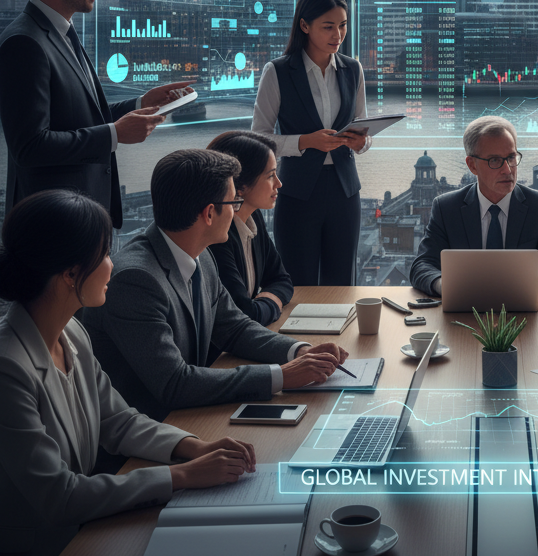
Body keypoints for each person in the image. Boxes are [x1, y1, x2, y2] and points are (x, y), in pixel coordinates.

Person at [0, 190, 257, 556]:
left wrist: (195, 447)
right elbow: (60, 497)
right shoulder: (8, 369)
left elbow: (118, 421)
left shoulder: (72, 333)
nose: (112, 265)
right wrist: (183, 475)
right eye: (105, 255)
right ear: (70, 274)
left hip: (82, 535)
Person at [83, 149, 346, 423]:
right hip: (145, 435)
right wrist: (282, 376)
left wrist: (298, 351)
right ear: (209, 213)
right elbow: (175, 383)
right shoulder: (135, 280)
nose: (236, 211)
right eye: (234, 203)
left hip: (191, 416)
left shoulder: (200, 254)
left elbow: (234, 328)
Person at [0, 0, 193, 227]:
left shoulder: (62, 32)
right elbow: (30, 146)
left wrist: (140, 102)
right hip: (53, 227)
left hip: (82, 220)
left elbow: (80, 116)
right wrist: (115, 135)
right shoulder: (24, 43)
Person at [252, 0, 371, 286]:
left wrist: (362, 142)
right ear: (304, 26)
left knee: (343, 283)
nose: (338, 35)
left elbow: (364, 128)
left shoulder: (353, 70)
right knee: (298, 283)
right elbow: (258, 139)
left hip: (346, 193)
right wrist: (305, 141)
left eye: (343, 25)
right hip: (297, 193)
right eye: (328, 26)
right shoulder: (277, 72)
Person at [410, 116, 538, 299]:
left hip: (523, 313)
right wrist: (444, 285)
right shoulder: (446, 208)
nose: (508, 170)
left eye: (511, 157)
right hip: (465, 311)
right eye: (495, 160)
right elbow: (422, 265)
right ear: (472, 165)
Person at [205, 131, 294, 325]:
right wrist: (271, 303)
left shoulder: (253, 217)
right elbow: (244, 313)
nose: (279, 183)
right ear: (240, 186)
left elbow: (282, 279)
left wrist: (262, 305)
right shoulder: (218, 236)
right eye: (271, 176)